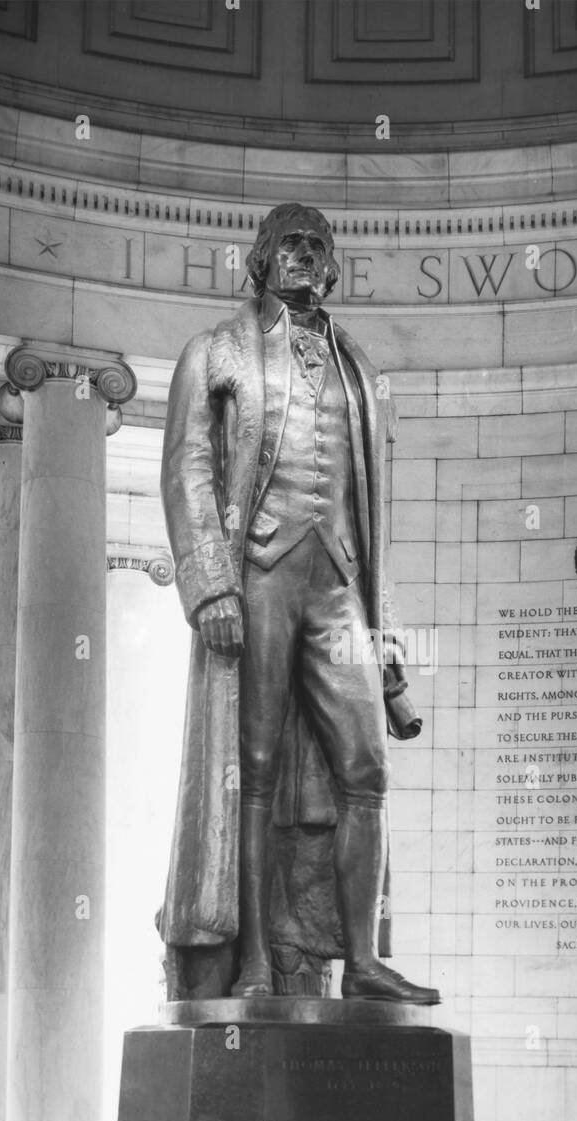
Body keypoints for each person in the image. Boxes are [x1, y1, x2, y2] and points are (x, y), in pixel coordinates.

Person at [158, 202, 439, 1006]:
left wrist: (385, 651)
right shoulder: (215, 352)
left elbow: (364, 505)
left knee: (366, 766)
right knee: (251, 768)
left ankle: (363, 960)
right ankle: (252, 957)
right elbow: (186, 470)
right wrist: (211, 582)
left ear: (332, 264)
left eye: (318, 245)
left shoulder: (357, 366)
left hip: (339, 583)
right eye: (291, 243)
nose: (305, 256)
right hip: (258, 574)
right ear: (260, 259)